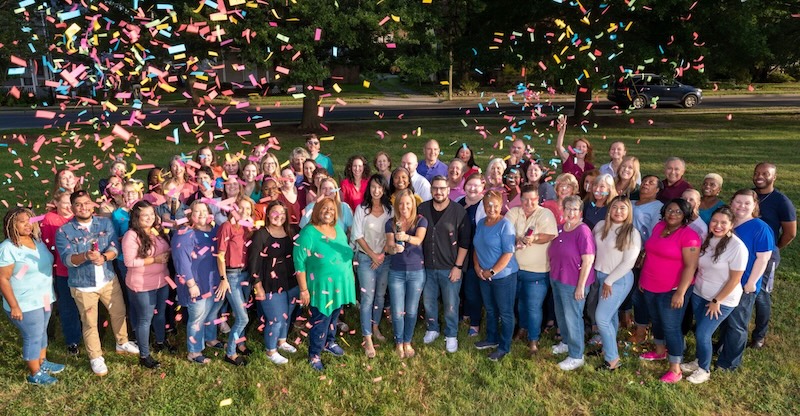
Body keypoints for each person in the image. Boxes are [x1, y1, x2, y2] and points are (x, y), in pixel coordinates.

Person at [55, 190, 139, 376]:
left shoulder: (104, 223)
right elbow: (67, 259)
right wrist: (85, 256)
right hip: (83, 285)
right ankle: (96, 357)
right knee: (90, 323)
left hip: (108, 279)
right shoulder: (64, 231)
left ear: (92, 204)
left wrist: (104, 257)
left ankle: (122, 342)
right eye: (78, 204)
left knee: (119, 312)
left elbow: (114, 246)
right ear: (72, 208)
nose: (83, 207)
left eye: (86, 203)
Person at [679, 206, 747, 384]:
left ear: (731, 225)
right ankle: (699, 360)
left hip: (721, 300)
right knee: (701, 331)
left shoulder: (737, 247)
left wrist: (717, 300)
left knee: (703, 333)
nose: (718, 226)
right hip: (699, 293)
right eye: (714, 221)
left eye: (723, 223)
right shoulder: (707, 240)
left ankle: (704, 370)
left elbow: (735, 279)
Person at [638, 198, 700, 383]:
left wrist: (680, 292)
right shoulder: (659, 227)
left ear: (685, 215)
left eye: (678, 212)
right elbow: (650, 253)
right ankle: (659, 351)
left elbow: (691, 266)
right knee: (656, 319)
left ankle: (675, 368)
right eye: (670, 210)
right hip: (650, 284)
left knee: (671, 326)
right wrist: (642, 278)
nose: (673, 214)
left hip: (673, 289)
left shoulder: (689, 236)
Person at [0, 207, 64, 385]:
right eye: (22, 222)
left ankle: (42, 362)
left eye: (30, 221)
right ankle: (34, 373)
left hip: (45, 298)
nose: (27, 225)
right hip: (25, 302)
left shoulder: (37, 241)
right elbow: (3, 279)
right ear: (12, 225)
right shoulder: (7, 248)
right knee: (33, 335)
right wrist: (14, 306)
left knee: (42, 331)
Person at [294, 198, 356, 371]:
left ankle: (329, 342)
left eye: (332, 209)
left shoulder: (337, 229)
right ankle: (314, 354)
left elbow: (345, 253)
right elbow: (299, 263)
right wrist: (303, 290)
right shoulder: (308, 233)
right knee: (321, 320)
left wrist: (349, 276)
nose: (328, 211)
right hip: (321, 287)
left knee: (334, 316)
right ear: (316, 211)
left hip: (339, 284)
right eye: (324, 208)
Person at [716, 190, 775, 371]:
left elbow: (763, 258)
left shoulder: (760, 228)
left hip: (743, 285)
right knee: (724, 320)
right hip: (724, 281)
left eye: (747, 203)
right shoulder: (728, 224)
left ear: (754, 206)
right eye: (738, 202)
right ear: (731, 203)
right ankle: (721, 347)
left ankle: (729, 363)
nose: (741, 206)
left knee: (737, 324)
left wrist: (751, 283)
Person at [419, 176, 472, 353]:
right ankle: (432, 328)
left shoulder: (458, 212)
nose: (438, 192)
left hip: (450, 267)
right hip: (427, 266)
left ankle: (451, 334)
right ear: (431, 190)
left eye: (442, 188)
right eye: (435, 188)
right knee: (429, 301)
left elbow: (465, 242)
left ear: (448, 190)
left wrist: (458, 267)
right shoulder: (422, 209)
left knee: (451, 303)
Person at [505, 185, 557, 354]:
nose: (528, 203)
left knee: (534, 307)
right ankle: (522, 328)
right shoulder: (514, 212)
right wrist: (518, 238)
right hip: (515, 269)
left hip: (537, 271)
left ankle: (533, 339)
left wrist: (533, 238)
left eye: (532, 199)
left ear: (538, 199)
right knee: (520, 303)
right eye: (525, 200)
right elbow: (505, 231)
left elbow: (549, 235)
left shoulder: (545, 214)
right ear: (520, 200)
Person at [171, 201, 226, 365]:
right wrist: (191, 284)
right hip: (196, 283)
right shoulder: (185, 234)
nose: (202, 214)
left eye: (204, 210)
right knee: (197, 317)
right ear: (190, 215)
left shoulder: (215, 230)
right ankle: (194, 352)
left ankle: (210, 339)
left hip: (213, 281)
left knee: (211, 313)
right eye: (197, 211)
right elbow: (181, 261)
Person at [121, 201, 172, 369]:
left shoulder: (157, 231)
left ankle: (160, 341)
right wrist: (155, 260)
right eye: (145, 215)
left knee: (160, 314)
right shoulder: (131, 236)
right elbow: (130, 262)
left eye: (152, 214)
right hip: (142, 285)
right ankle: (144, 355)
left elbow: (166, 248)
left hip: (162, 280)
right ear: (137, 217)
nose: (150, 218)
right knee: (145, 319)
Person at [592, 196, 641, 371]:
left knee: (602, 318)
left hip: (617, 280)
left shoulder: (631, 233)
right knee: (610, 316)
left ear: (628, 211)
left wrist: (609, 281)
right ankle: (607, 348)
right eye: (614, 207)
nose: (618, 211)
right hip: (600, 275)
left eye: (622, 208)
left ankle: (612, 360)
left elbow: (629, 262)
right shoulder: (600, 226)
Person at [548, 195, 596, 371]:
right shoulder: (560, 228)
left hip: (574, 282)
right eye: (568, 208)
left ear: (580, 212)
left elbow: (588, 260)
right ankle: (567, 342)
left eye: (575, 209)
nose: (571, 212)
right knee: (561, 314)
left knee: (573, 317)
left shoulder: (583, 231)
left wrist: (580, 286)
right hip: (557, 278)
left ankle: (576, 355)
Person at [750, 163, 796, 349]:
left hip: (766, 255)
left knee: (761, 294)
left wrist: (774, 248)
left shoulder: (781, 201)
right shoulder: (749, 196)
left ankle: (759, 336)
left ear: (774, 177)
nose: (760, 176)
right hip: (744, 252)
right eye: (757, 173)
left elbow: (790, 233)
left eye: (765, 174)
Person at [249, 201, 300, 365]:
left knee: (287, 315)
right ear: (268, 214)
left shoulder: (292, 231)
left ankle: (282, 341)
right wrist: (257, 286)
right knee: (276, 319)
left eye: (282, 213)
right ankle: (270, 351)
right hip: (270, 284)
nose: (278, 216)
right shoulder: (261, 234)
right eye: (275, 213)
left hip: (292, 282)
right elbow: (254, 262)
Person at [473, 190, 519, 362]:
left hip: (503, 276)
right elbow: (476, 247)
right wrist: (477, 267)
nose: (491, 208)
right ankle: (491, 338)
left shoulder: (505, 225)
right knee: (490, 309)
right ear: (484, 206)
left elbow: (508, 253)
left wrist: (492, 271)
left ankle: (504, 346)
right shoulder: (481, 223)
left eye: (495, 205)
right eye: (488, 205)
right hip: (484, 276)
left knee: (505, 312)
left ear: (501, 206)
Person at [351, 174, 393, 356]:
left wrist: (381, 255)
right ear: (369, 188)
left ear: (384, 189)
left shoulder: (390, 210)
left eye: (380, 187)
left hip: (384, 258)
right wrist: (373, 255)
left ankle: (375, 326)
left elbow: (391, 234)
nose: (376, 190)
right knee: (367, 298)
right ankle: (367, 337)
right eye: (373, 187)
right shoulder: (362, 209)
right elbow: (357, 235)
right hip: (366, 258)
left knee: (380, 296)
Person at [385, 189, 428, 358]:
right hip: (396, 272)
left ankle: (407, 341)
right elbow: (389, 246)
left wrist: (406, 238)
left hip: (416, 272)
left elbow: (418, 239)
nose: (404, 207)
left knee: (411, 310)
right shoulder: (391, 223)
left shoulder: (421, 220)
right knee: (397, 311)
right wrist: (394, 248)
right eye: (401, 204)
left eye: (408, 203)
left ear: (413, 204)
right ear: (396, 205)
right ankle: (398, 341)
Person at [41, 190, 81, 355]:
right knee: (67, 307)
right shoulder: (50, 219)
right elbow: (47, 245)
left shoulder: (80, 217)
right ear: (56, 203)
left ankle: (92, 336)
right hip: (63, 271)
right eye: (65, 203)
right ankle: (73, 340)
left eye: (72, 203)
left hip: (84, 270)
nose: (69, 207)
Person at [216, 198, 255, 366]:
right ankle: (230, 353)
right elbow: (220, 255)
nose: (245, 211)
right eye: (242, 208)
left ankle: (241, 344)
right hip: (231, 275)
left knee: (242, 311)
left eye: (248, 209)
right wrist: (223, 279)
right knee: (243, 318)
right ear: (234, 209)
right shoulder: (227, 226)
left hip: (245, 274)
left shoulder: (247, 228)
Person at [627, 174, 664, 341]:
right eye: (645, 181)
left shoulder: (657, 207)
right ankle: (626, 320)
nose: (646, 184)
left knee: (639, 293)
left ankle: (642, 329)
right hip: (624, 252)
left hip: (642, 254)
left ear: (657, 190)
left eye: (651, 183)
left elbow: (656, 232)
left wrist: (644, 254)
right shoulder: (631, 203)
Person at [458, 173, 486, 337]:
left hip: (476, 253)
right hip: (458, 252)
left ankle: (475, 323)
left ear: (482, 187)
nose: (473, 188)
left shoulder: (484, 205)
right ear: (464, 186)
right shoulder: (458, 202)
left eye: (477, 185)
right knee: (461, 287)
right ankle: (465, 314)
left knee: (472, 289)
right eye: (470, 184)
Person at [555, 115, 595, 183]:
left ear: (587, 151)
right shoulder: (568, 160)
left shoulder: (590, 167)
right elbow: (559, 147)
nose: (581, 149)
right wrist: (562, 130)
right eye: (578, 147)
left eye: (584, 147)